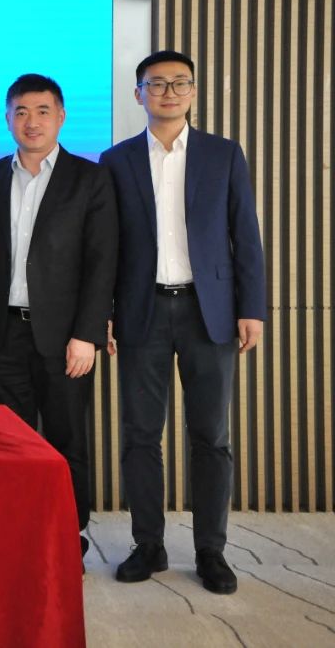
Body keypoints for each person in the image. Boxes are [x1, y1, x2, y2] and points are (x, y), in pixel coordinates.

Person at [102, 50, 266, 595]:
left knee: (211, 436)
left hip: (208, 311)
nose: (168, 92)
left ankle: (211, 551)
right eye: (156, 84)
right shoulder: (116, 160)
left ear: (193, 92)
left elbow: (245, 235)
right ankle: (148, 545)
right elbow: (106, 248)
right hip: (141, 310)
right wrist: (104, 313)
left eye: (179, 83)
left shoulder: (224, 154)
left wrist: (251, 307)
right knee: (140, 435)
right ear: (138, 94)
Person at [0, 74, 117, 560]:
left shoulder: (89, 177)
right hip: (1, 333)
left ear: (62, 116)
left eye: (42, 111)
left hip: (64, 337)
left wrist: (87, 334)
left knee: (66, 438)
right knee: (9, 441)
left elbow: (102, 260)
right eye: (21, 112)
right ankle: (17, 533)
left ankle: (68, 535)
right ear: (8, 118)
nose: (31, 122)